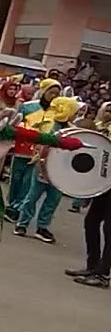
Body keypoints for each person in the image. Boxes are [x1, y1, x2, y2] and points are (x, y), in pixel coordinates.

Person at [12, 82, 78, 242]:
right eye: (74, 112)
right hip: (43, 164)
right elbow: (41, 142)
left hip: (61, 169)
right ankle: (22, 223)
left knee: (53, 199)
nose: (75, 115)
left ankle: (42, 227)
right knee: (33, 195)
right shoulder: (49, 123)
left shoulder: (72, 128)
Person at [69, 103, 111, 288]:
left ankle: (103, 274)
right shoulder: (101, 126)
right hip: (104, 183)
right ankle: (93, 265)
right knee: (91, 221)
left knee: (110, 230)